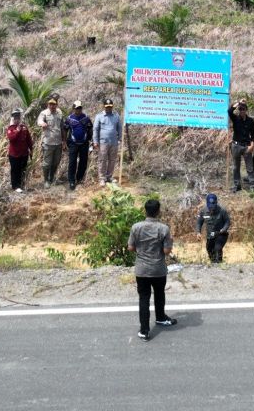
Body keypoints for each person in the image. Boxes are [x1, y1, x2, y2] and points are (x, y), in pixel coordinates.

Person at [127, 198, 177, 340]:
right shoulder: (163, 228)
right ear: (158, 211)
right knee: (159, 294)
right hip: (158, 269)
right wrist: (169, 243)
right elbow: (167, 251)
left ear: (145, 211)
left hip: (142, 270)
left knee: (144, 298)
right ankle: (160, 317)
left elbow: (130, 247)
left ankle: (144, 330)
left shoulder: (136, 227)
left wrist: (141, 250)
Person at [227, 99, 254, 192]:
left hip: (246, 147)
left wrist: (252, 145)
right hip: (236, 146)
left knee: (250, 167)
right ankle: (237, 186)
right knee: (236, 167)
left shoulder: (250, 121)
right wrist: (238, 102)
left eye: (243, 109)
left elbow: (253, 134)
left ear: (246, 110)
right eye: (240, 109)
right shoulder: (235, 119)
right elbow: (229, 111)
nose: (241, 111)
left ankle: (253, 186)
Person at [36, 97, 65, 188]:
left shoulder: (59, 113)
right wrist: (42, 124)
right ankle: (46, 180)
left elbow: (62, 127)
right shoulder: (44, 113)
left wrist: (64, 140)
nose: (52, 106)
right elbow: (39, 121)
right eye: (50, 104)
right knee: (47, 163)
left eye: (54, 104)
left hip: (58, 142)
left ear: (56, 105)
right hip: (48, 142)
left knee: (56, 162)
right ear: (48, 104)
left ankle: (51, 177)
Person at [65, 101, 93, 190]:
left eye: (80, 108)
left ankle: (79, 178)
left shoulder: (86, 118)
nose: (79, 109)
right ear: (73, 108)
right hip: (73, 144)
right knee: (72, 162)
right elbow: (65, 129)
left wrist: (90, 141)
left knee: (83, 161)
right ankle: (71, 181)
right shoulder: (69, 118)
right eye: (77, 108)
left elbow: (90, 129)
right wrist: (64, 141)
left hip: (84, 144)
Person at [195, 193, 231, 263]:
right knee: (209, 249)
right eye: (210, 206)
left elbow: (227, 222)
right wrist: (198, 232)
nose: (212, 208)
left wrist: (224, 229)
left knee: (217, 248)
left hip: (221, 234)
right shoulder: (203, 211)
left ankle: (219, 264)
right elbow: (199, 222)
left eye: (213, 206)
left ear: (216, 203)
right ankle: (214, 264)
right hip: (210, 236)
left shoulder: (222, 210)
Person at [93, 98, 122, 185]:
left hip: (114, 142)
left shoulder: (116, 116)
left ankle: (109, 177)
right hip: (103, 142)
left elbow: (119, 128)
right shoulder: (99, 116)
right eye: (107, 107)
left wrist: (120, 138)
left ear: (112, 106)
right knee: (102, 160)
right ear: (104, 107)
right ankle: (102, 178)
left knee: (112, 160)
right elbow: (95, 129)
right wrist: (95, 141)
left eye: (110, 107)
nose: (108, 108)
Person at [5, 109, 33, 192]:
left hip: (24, 154)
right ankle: (15, 186)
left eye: (18, 117)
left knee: (23, 169)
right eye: (15, 117)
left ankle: (21, 185)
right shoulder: (10, 128)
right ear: (13, 119)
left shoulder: (24, 127)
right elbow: (11, 138)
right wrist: (17, 130)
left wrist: (31, 149)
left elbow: (28, 139)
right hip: (14, 154)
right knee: (15, 170)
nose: (17, 119)